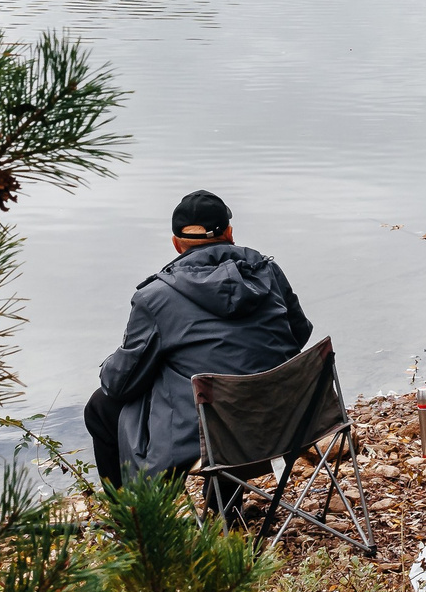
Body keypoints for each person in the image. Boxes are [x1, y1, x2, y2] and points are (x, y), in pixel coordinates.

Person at [85, 189, 311, 486]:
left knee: (101, 406)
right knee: (230, 379)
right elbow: (299, 333)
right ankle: (225, 512)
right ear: (230, 234)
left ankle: (132, 518)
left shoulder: (155, 297)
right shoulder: (267, 272)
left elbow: (119, 384)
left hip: (211, 441)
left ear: (177, 244)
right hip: (288, 425)